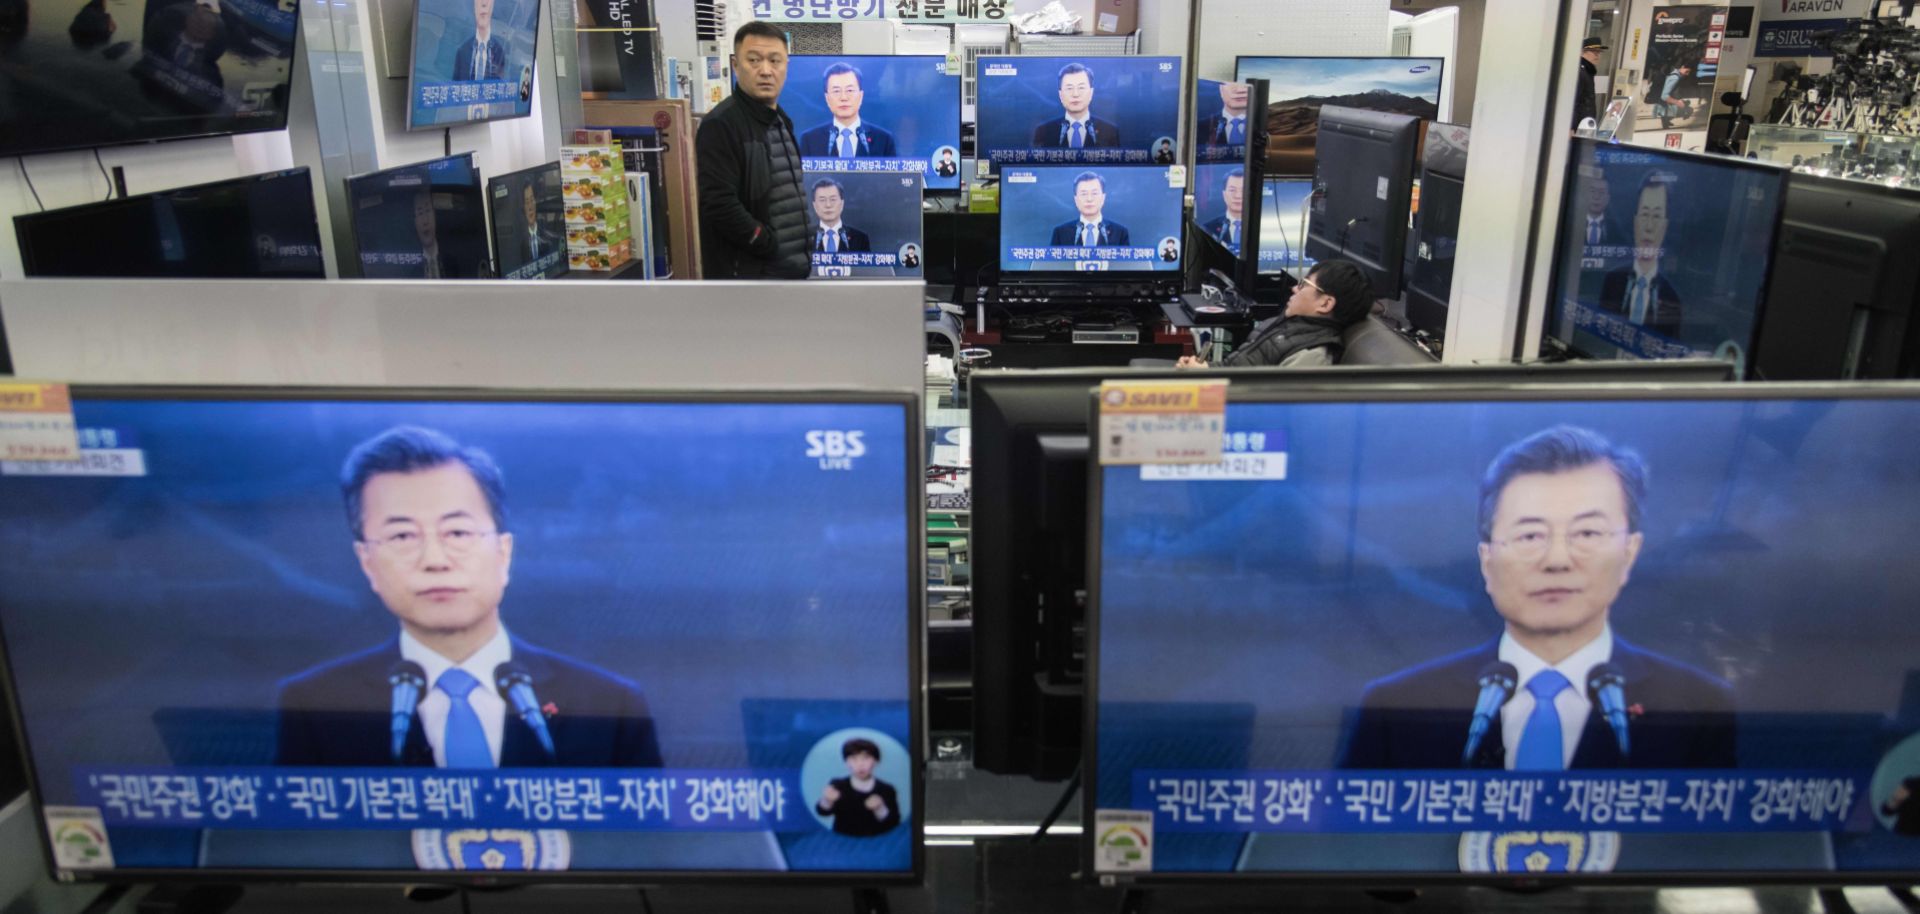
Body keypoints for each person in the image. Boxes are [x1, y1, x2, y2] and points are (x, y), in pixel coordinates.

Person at [1339, 426, 1737, 771]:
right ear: (1487, 560)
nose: (1558, 560)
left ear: (1630, 553)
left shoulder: (1697, 706)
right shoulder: (1395, 707)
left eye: (1587, 534)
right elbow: (1344, 849)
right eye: (1530, 536)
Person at [277, 427, 665, 768]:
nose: (434, 560)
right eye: (402, 536)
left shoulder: (609, 705)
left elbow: (648, 850)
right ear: (367, 562)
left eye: (458, 533)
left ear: (504, 553)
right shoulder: (315, 704)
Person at [696, 21, 810, 279]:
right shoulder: (721, 124)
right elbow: (718, 203)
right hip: (750, 279)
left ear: (786, 66)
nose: (766, 70)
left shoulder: (781, 119)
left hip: (787, 272)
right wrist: (764, 242)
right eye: (754, 60)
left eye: (775, 60)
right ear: (735, 66)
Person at [1176, 260, 1373, 369]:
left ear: (1325, 303)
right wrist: (1206, 368)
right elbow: (1237, 368)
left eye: (1304, 284)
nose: (1295, 288)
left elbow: (1266, 409)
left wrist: (1205, 380)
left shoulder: (1311, 356)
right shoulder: (1292, 325)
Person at [1598, 171, 1684, 337]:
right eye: (1644, 214)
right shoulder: (1612, 280)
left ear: (1666, 224)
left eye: (1657, 216)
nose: (1649, 227)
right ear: (1635, 219)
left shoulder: (1672, 298)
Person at [797, 62, 897, 158]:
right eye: (836, 91)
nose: (843, 97)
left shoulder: (884, 140)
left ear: (861, 96)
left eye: (849, 90)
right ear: (827, 98)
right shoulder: (810, 140)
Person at [814, 738, 900, 837]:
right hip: (842, 843)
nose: (860, 764)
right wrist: (827, 800)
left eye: (866, 758)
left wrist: (880, 808)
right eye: (854, 759)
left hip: (875, 844)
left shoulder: (887, 789)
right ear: (846, 762)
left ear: (876, 761)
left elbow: (893, 823)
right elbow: (823, 812)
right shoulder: (838, 785)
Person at [1031, 62, 1120, 149]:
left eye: (1081, 87)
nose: (1075, 94)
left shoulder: (1109, 130)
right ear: (1060, 95)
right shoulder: (1043, 131)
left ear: (1091, 93)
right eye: (1069, 88)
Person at [1048, 171, 1129, 247]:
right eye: (1084, 194)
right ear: (1076, 200)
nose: (1089, 199)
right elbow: (1052, 262)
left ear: (1103, 198)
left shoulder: (1120, 233)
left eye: (1094, 193)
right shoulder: (1060, 233)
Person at [808, 178, 870, 254]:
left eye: (833, 199)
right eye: (822, 200)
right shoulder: (804, 238)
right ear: (814, 205)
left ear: (842, 203)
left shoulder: (860, 238)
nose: (828, 205)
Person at [452, 0, 505, 82]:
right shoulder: (462, 51)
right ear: (474, 6)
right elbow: (455, 86)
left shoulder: (499, 51)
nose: (484, 3)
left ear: (493, 5)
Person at [1200, 168, 1246, 254]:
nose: (1238, 196)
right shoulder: (1208, 229)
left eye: (1243, 190)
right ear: (1224, 195)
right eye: (1232, 190)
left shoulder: (1260, 227)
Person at [1197, 81, 1252, 148]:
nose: (1239, 90)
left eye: (1244, 86)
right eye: (1232, 85)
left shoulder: (1259, 125)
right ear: (1221, 90)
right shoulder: (1199, 127)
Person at [1574, 38, 1605, 129]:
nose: (1597, 55)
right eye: (1593, 52)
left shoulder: (1588, 72)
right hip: (1578, 126)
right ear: (1582, 52)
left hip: (1585, 125)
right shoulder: (1580, 72)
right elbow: (1574, 102)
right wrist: (1571, 126)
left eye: (1599, 52)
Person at [1652, 61, 1694, 129]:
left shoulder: (1674, 73)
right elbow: (1664, 96)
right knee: (1689, 110)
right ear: (1682, 67)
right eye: (1686, 71)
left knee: (1686, 104)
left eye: (1689, 72)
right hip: (1664, 104)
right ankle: (1666, 118)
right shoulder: (1675, 77)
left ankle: (1666, 118)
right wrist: (1678, 103)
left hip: (1662, 103)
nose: (1687, 74)